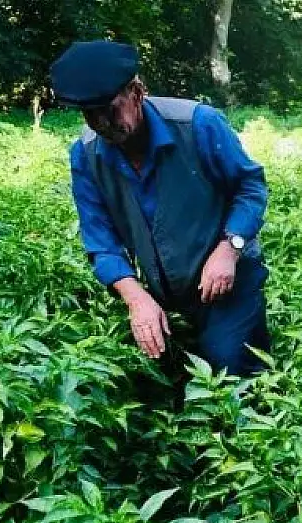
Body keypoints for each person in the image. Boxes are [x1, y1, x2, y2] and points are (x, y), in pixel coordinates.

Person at [51, 40, 270, 376]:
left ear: (137, 92)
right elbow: (101, 242)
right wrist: (137, 300)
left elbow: (250, 187)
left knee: (230, 370)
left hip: (228, 276)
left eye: (109, 109)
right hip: (162, 287)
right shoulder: (86, 154)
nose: (100, 123)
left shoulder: (199, 124)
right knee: (143, 374)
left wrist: (230, 248)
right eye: (88, 113)